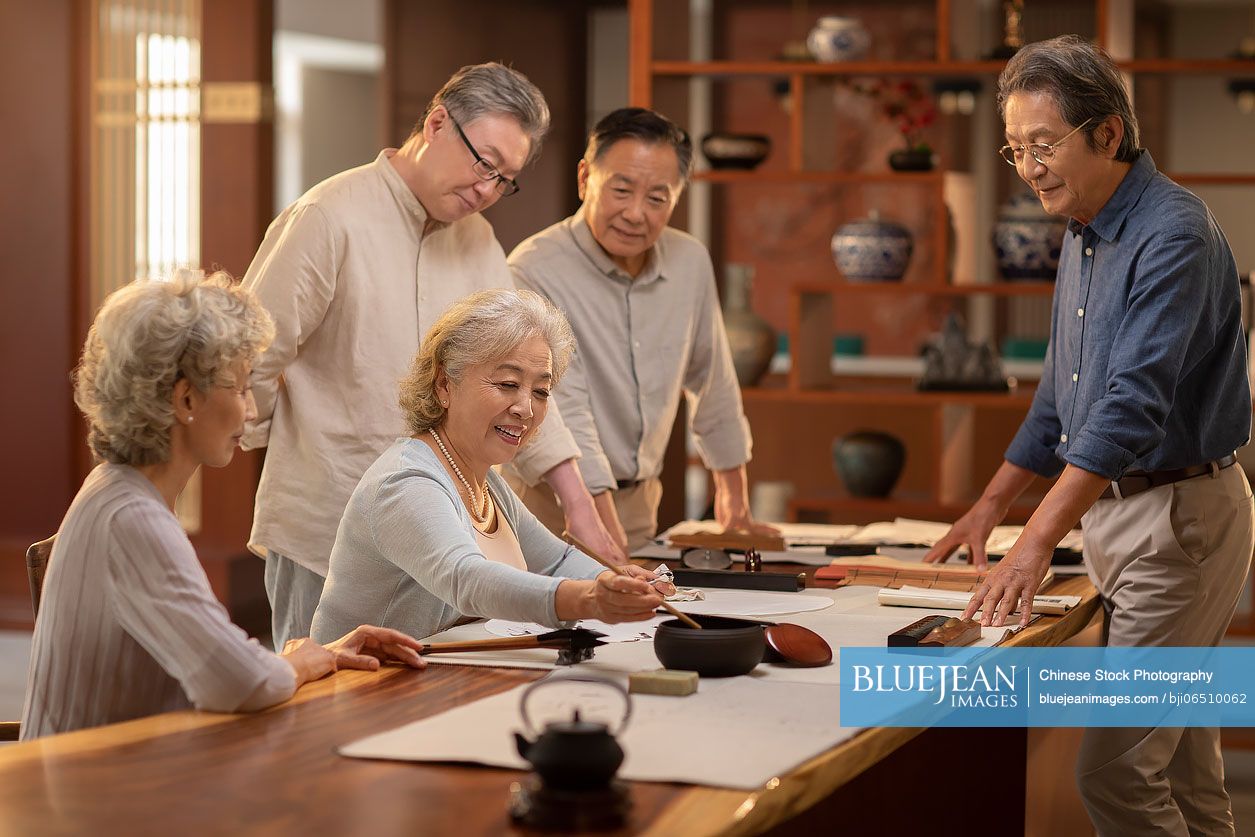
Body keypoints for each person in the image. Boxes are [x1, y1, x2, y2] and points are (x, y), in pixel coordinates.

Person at [923, 36, 1253, 836]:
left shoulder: (1171, 232)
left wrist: (1035, 542)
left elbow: (1128, 408)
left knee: (1113, 771)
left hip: (1178, 523)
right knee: (1180, 766)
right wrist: (989, 509)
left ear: (1106, 134)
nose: (1029, 166)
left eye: (1044, 145)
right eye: (1015, 149)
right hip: (1127, 515)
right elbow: (1061, 397)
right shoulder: (1082, 223)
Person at [242, 63, 626, 651]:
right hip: (326, 518)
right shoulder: (330, 215)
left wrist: (580, 505)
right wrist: (304, 441)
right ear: (438, 122)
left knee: (421, 704)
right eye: (484, 164)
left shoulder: (477, 241)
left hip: (447, 524)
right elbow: (251, 359)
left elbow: (525, 371)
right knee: (317, 710)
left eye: (505, 179)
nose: (487, 190)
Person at [20, 273, 425, 740]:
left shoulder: (116, 492)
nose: (251, 411)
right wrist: (296, 663)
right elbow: (239, 683)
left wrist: (320, 654)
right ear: (186, 398)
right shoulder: (132, 518)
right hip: (97, 794)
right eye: (240, 388)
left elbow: (218, 663)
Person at [311, 289, 671, 642]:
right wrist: (590, 599)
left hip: (435, 680)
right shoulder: (405, 482)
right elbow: (466, 578)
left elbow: (555, 562)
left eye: (541, 391)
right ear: (443, 385)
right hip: (367, 688)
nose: (525, 409)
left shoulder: (484, 479)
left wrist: (620, 582)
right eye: (507, 384)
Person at [504, 107, 777, 551]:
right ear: (584, 178)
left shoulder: (689, 261)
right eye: (622, 190)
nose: (636, 214)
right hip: (549, 505)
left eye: (657, 198)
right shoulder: (533, 270)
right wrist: (601, 525)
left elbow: (714, 379)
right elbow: (564, 406)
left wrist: (733, 501)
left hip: (641, 502)